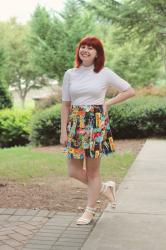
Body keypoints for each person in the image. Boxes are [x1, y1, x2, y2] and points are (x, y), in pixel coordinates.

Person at [60, 36, 135, 225]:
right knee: (73, 170)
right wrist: (63, 131)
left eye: (90, 48)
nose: (85, 50)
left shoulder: (105, 73)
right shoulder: (70, 73)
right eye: (83, 47)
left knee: (93, 172)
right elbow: (66, 105)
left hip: (95, 123)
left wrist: (107, 103)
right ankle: (104, 188)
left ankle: (90, 211)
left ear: (97, 53)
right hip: (75, 123)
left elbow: (129, 91)